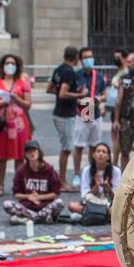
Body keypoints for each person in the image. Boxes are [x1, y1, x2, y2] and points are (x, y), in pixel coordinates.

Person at [0, 53, 32, 197]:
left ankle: (17, 184)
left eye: (12, 63)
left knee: (19, 155)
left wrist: (16, 98)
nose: (10, 66)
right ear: (2, 66)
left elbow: (28, 104)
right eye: (7, 63)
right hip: (2, 124)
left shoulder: (23, 82)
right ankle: (0, 184)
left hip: (19, 124)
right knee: (1, 155)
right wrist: (4, 101)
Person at [4, 140, 62, 223]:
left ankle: (29, 219)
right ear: (25, 154)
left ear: (39, 152)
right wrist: (28, 196)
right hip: (27, 207)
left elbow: (56, 192)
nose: (32, 153)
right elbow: (16, 194)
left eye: (34, 150)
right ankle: (40, 218)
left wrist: (39, 197)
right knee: (7, 204)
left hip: (45, 206)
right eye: (29, 151)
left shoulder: (49, 170)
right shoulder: (21, 171)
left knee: (59, 203)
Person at [50, 46, 82, 189]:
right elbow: (63, 93)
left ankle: (61, 180)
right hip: (65, 115)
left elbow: (50, 88)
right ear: (75, 58)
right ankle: (62, 181)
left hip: (59, 112)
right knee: (66, 148)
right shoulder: (69, 72)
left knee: (66, 147)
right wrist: (79, 95)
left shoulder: (58, 69)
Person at [72, 46, 105, 178]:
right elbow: (71, 94)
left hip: (96, 114)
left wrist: (99, 98)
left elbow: (104, 94)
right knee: (79, 146)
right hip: (81, 113)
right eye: (85, 57)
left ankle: (92, 172)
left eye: (90, 57)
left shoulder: (99, 76)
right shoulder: (76, 76)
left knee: (94, 146)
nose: (89, 60)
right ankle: (76, 174)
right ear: (80, 60)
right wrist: (78, 100)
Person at [67, 141, 120, 217]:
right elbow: (84, 196)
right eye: (98, 151)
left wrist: (108, 189)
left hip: (108, 203)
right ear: (93, 155)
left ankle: (92, 213)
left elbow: (117, 198)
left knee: (115, 211)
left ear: (108, 157)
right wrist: (96, 187)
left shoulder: (116, 171)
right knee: (72, 205)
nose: (101, 154)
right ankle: (103, 215)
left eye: (104, 152)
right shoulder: (87, 170)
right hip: (92, 202)